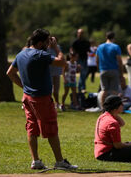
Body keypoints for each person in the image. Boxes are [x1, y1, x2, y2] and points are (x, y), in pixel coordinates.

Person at [6, 29, 77, 170]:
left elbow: (10, 73)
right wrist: (56, 48)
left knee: (32, 128)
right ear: (40, 43)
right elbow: (63, 62)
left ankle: (36, 161)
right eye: (47, 42)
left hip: (28, 98)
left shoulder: (21, 54)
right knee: (51, 128)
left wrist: (24, 87)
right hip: (42, 99)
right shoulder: (40, 54)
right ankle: (59, 161)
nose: (48, 44)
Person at [94, 95, 131, 162]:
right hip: (106, 154)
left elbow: (122, 123)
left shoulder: (103, 116)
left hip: (100, 151)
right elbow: (118, 145)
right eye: (121, 104)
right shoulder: (112, 122)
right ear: (115, 107)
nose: (123, 105)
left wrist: (115, 113)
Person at [96, 31, 124, 108]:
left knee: (104, 90)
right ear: (113, 38)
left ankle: (103, 108)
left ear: (106, 37)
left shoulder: (100, 47)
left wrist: (99, 69)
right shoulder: (116, 47)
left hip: (103, 70)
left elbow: (97, 60)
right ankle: (113, 107)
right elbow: (119, 61)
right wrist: (121, 73)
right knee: (114, 91)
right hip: (113, 70)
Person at [71, 29, 90, 93]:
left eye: (81, 33)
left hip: (85, 59)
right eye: (79, 33)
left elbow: (89, 50)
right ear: (77, 34)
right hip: (78, 60)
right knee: (83, 73)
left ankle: (80, 88)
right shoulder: (75, 42)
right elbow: (72, 50)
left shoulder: (86, 42)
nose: (80, 34)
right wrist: (73, 55)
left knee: (84, 74)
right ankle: (82, 88)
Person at [47, 43, 63, 110]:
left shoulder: (58, 47)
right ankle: (49, 103)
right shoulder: (45, 48)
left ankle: (57, 102)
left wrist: (56, 48)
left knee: (56, 90)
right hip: (48, 72)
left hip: (57, 71)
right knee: (48, 90)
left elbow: (61, 57)